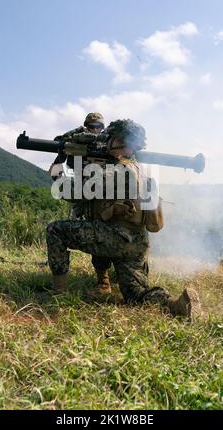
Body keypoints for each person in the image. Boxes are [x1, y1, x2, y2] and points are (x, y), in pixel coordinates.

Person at [46, 119, 202, 319]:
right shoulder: (135, 168)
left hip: (117, 238)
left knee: (56, 230)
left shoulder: (113, 172)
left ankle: (59, 295)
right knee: (135, 295)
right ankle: (178, 305)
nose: (106, 142)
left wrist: (61, 159)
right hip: (136, 242)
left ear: (120, 141)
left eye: (109, 138)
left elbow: (66, 190)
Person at [48, 112, 113, 295]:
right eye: (90, 126)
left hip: (107, 199)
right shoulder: (77, 144)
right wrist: (78, 134)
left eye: (98, 126)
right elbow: (58, 143)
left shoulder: (108, 143)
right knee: (91, 229)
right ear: (85, 126)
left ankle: (106, 279)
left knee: (104, 228)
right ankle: (101, 280)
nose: (95, 130)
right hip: (83, 198)